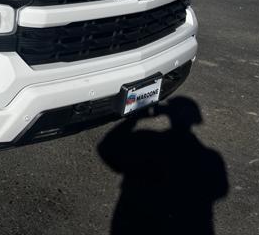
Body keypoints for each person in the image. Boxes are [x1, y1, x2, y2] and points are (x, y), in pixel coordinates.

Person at [98, 96, 228, 235]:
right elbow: (221, 190)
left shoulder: (147, 140)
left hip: (139, 216)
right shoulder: (210, 157)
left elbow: (106, 148)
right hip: (189, 222)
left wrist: (135, 118)